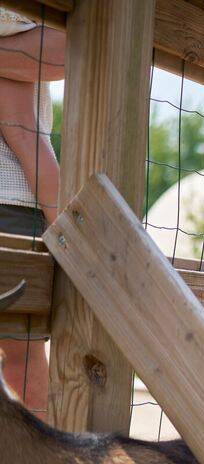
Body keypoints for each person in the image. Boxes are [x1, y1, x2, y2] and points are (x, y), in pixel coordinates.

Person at [0, 11, 64, 418]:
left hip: (9, 203)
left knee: (20, 356)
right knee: (21, 355)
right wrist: (66, 226)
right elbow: (25, 136)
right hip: (12, 202)